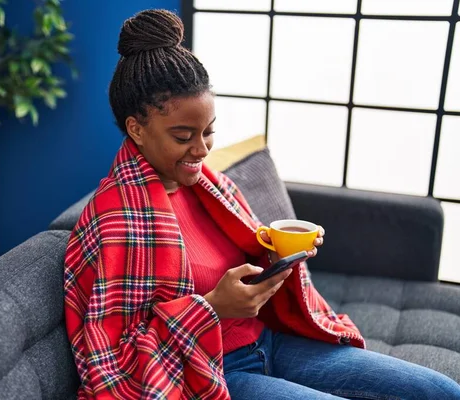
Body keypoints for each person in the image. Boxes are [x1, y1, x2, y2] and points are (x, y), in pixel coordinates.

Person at [64, 9, 460, 400]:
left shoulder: (212, 187)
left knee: (441, 390)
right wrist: (213, 307)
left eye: (208, 131)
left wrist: (279, 254)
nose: (201, 150)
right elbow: (115, 361)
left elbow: (250, 258)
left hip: (273, 342)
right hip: (210, 373)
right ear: (137, 128)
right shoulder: (115, 219)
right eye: (183, 136)